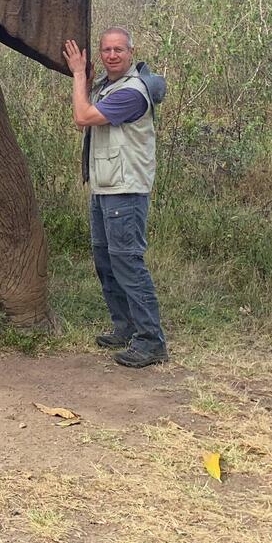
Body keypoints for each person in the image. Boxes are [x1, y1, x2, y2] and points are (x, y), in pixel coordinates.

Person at [63, 29, 168, 368]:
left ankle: (151, 341)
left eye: (118, 49)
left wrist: (78, 74)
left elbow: (82, 117)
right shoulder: (111, 87)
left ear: (131, 52)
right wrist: (88, 83)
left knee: (128, 265)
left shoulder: (132, 93)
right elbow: (87, 120)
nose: (111, 55)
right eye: (106, 49)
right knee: (107, 263)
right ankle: (126, 328)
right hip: (106, 186)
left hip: (125, 190)